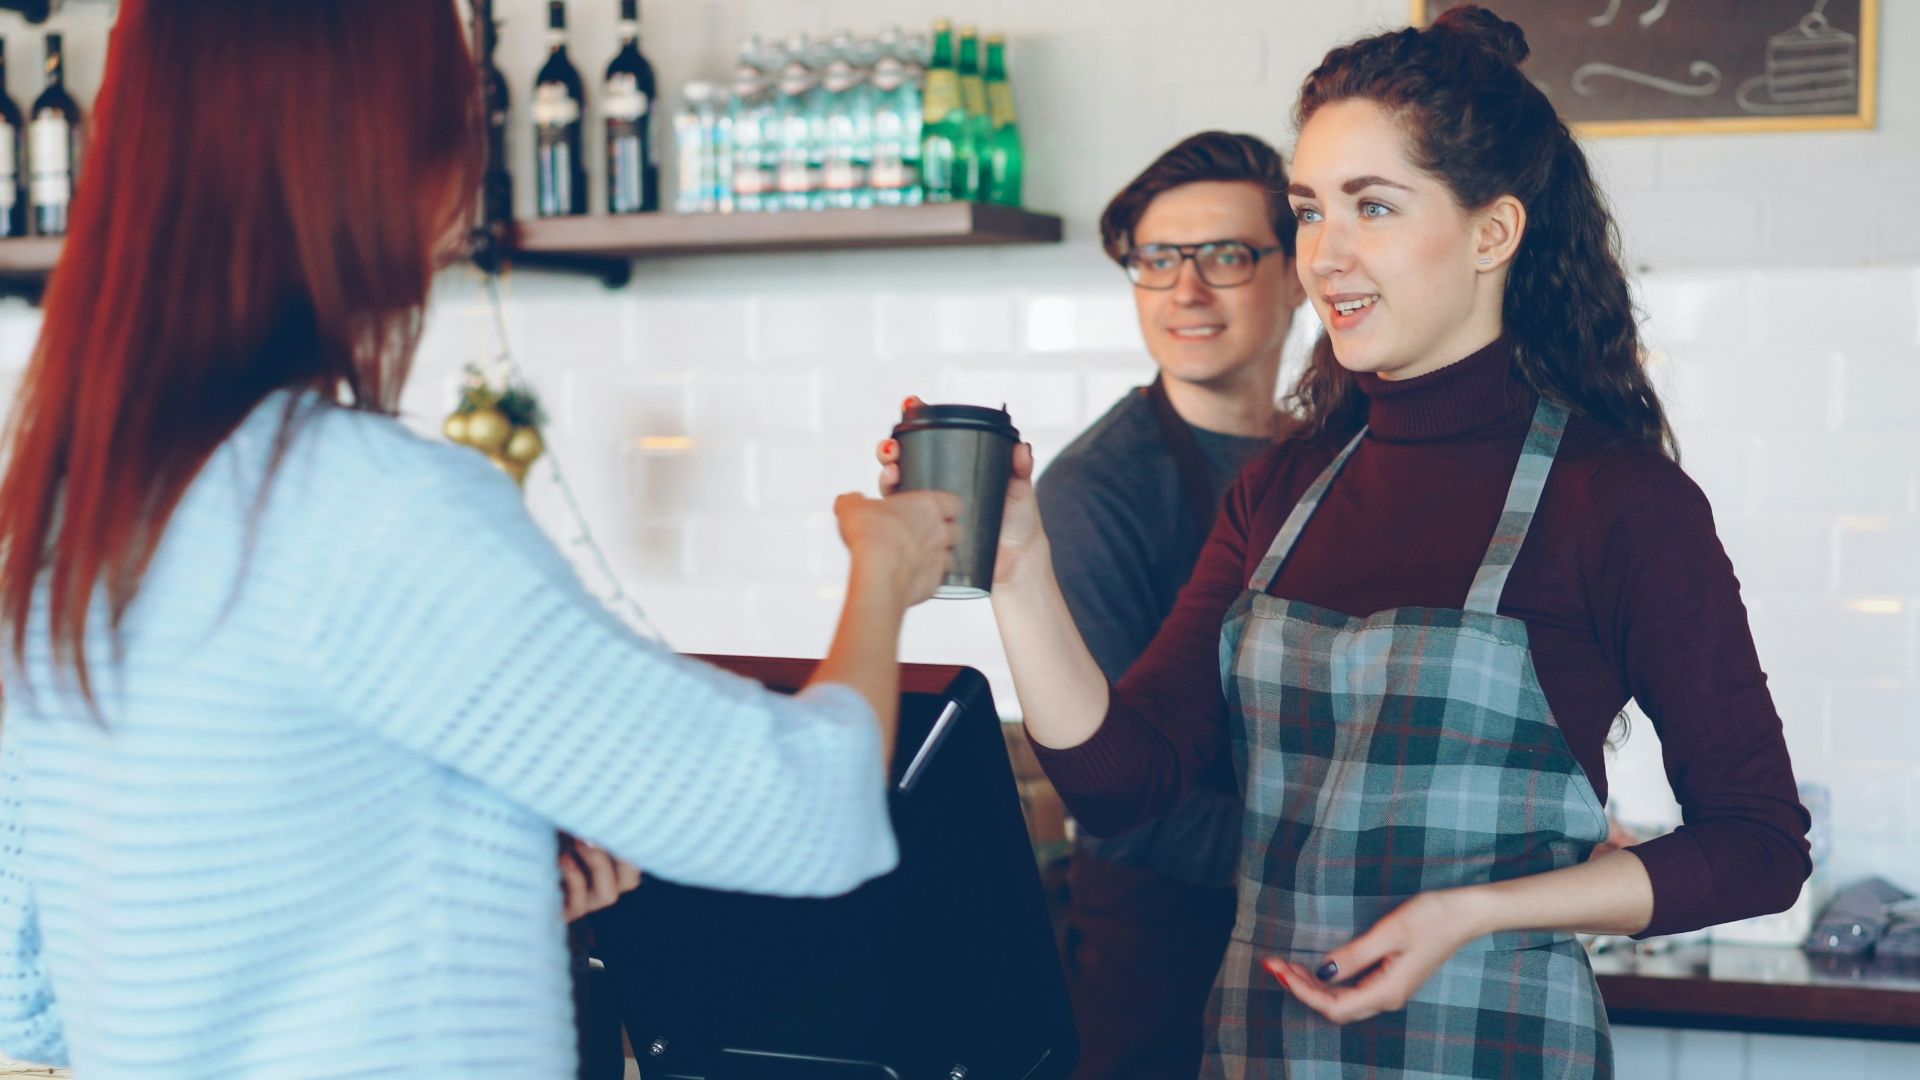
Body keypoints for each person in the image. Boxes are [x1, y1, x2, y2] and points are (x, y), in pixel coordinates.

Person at [0, 3, 957, 1077]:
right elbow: (807, 810)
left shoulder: (66, 516)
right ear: (360, 144)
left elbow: (30, 992)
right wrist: (884, 569)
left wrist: (471, 877)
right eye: (453, 105)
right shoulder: (372, 505)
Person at [882, 8, 1809, 1076]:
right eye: (1311, 211)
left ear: (1492, 232)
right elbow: (1121, 784)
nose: (1327, 257)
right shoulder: (1286, 486)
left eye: (1373, 207)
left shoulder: (1618, 501)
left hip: (1492, 1048)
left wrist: (1471, 913)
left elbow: (1759, 845)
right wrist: (1020, 569)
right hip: (1261, 1050)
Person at [1034, 131, 1305, 1079]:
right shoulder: (1093, 491)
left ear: (1300, 272)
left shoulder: (1333, 463)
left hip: (1324, 950)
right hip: (1158, 957)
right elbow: (1124, 804)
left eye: (1226, 256)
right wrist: (1345, 869)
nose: (1185, 291)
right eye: (1157, 260)